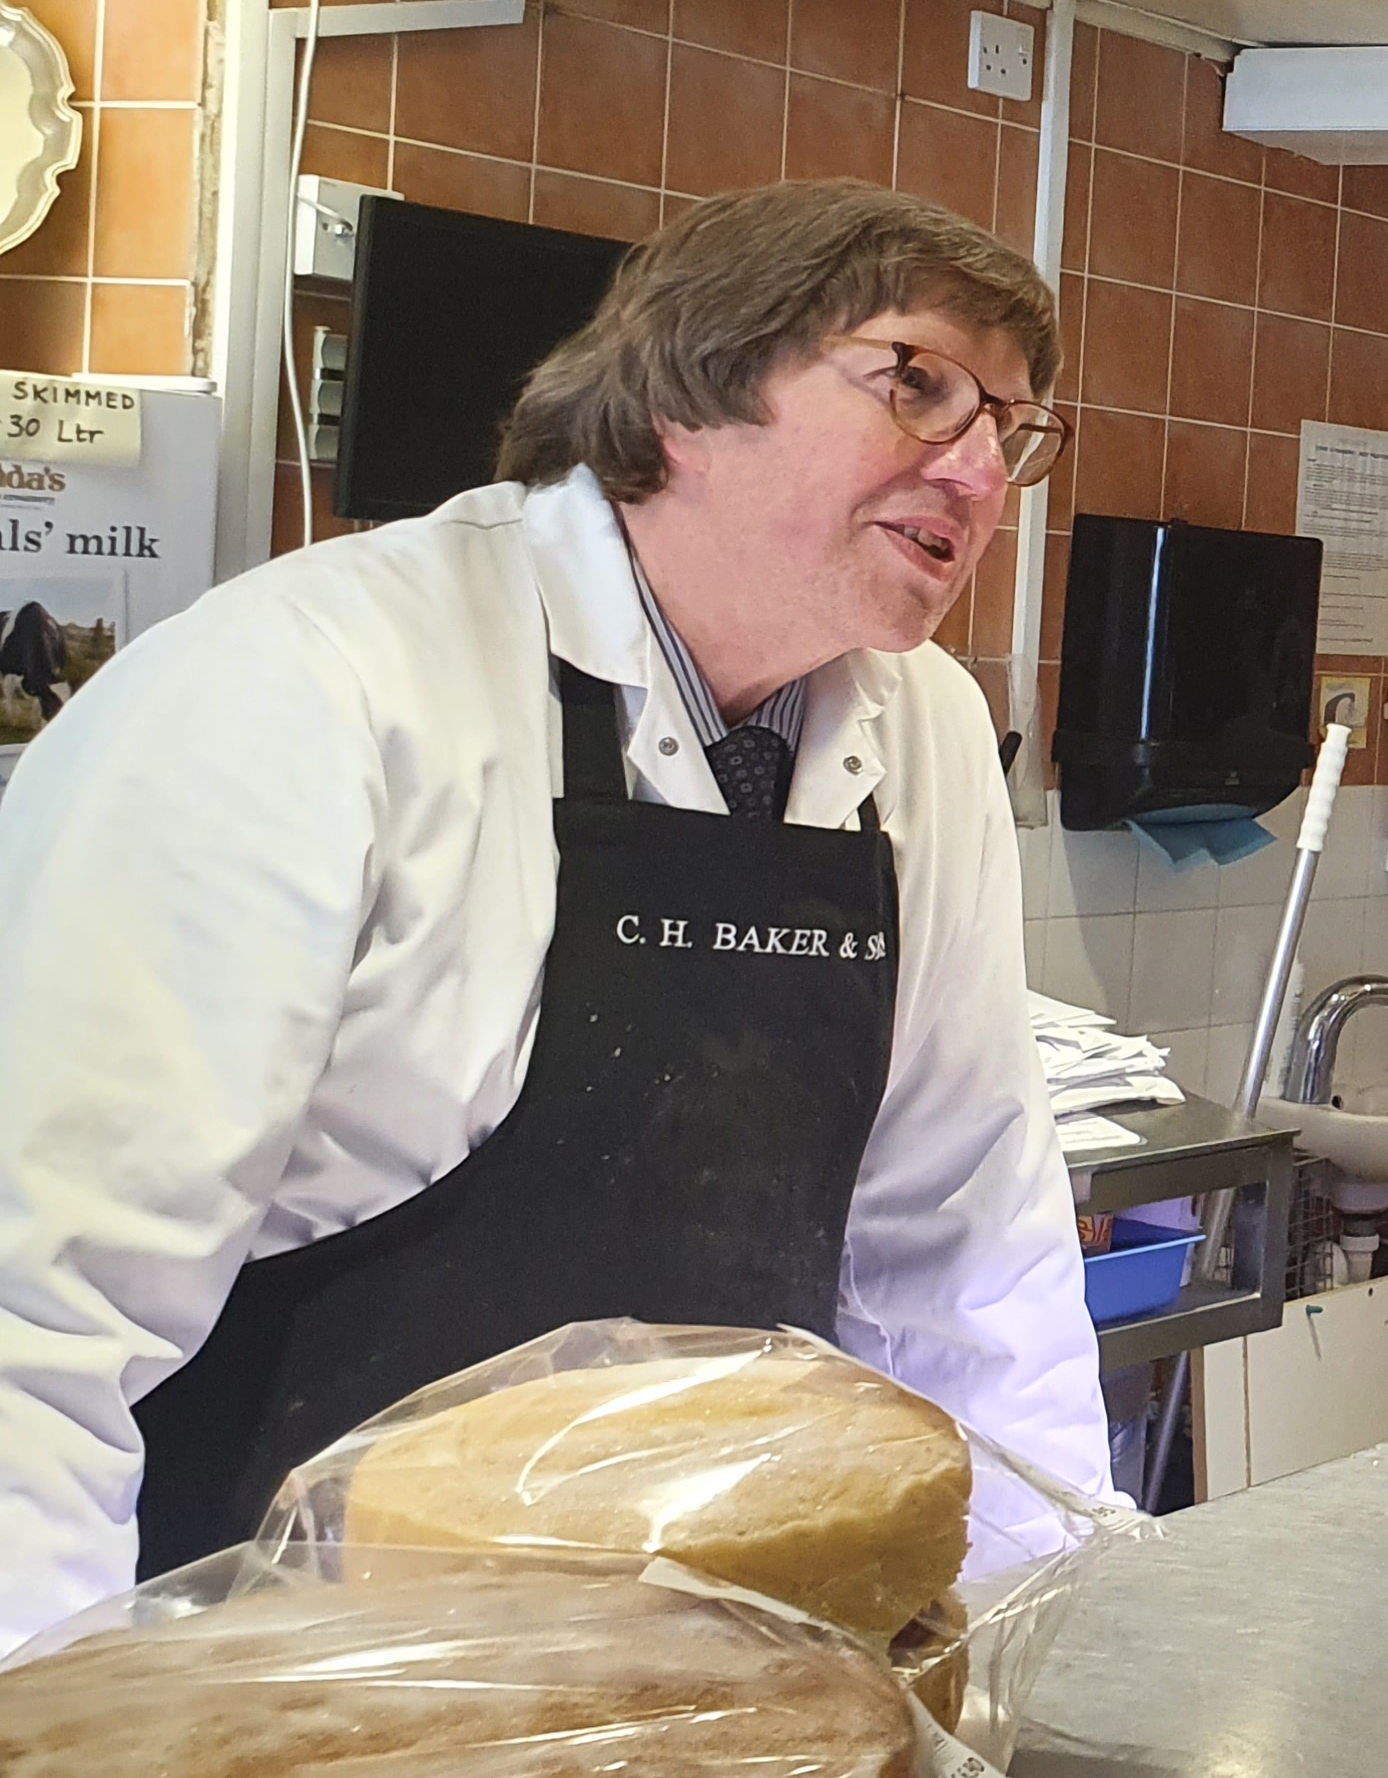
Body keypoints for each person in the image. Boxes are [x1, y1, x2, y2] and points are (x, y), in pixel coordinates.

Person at [0, 180, 1114, 1647]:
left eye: (1011, 429)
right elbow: (35, 1319)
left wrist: (1041, 1635)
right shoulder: (308, 683)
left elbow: (962, 1250)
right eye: (918, 385)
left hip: (710, 1681)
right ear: (690, 387)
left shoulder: (929, 735)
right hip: (269, 1682)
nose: (979, 473)